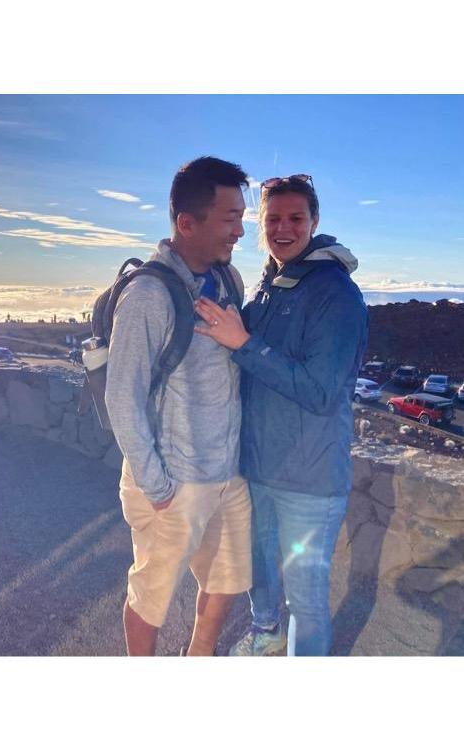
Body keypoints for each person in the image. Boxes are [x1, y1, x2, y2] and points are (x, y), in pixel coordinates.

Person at [194, 173, 368, 656]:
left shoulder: (335, 294)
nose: (283, 228)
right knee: (261, 572)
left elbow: (319, 392)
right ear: (261, 225)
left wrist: (244, 344)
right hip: (259, 469)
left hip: (309, 482)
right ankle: (266, 639)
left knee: (307, 602)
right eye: (273, 219)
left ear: (315, 221)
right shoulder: (272, 285)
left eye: (295, 218)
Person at [105, 156, 253, 656]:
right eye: (230, 218)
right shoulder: (149, 294)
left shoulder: (226, 277)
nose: (240, 230)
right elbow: (120, 397)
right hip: (174, 481)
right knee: (151, 598)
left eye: (242, 216)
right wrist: (157, 485)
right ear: (187, 223)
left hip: (226, 472)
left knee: (230, 576)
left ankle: (199, 658)